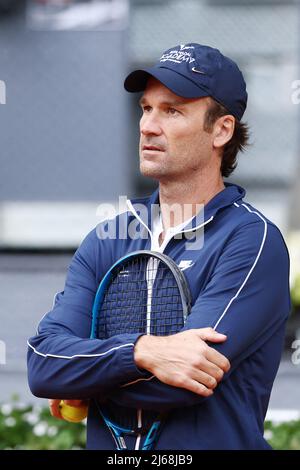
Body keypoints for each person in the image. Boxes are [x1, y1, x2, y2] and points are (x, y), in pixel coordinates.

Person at [27, 43, 291, 450]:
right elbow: (43, 365)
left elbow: (181, 387)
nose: (148, 126)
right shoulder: (106, 239)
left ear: (221, 130)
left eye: (172, 111)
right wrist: (143, 352)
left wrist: (85, 375)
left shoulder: (252, 240)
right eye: (146, 108)